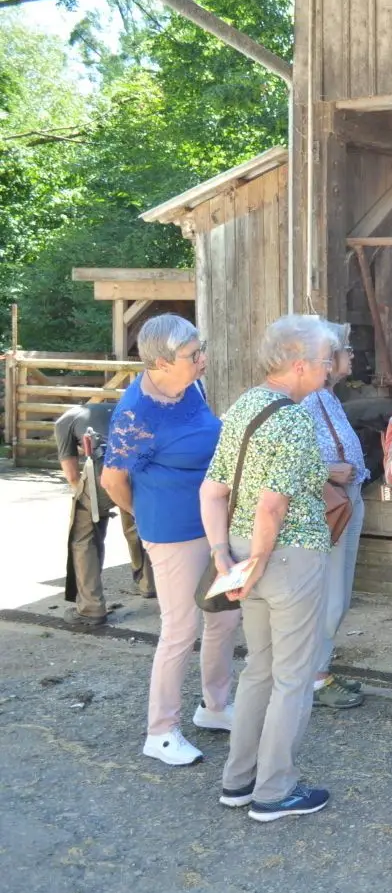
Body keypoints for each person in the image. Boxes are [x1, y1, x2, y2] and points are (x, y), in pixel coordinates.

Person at [203, 314, 338, 821]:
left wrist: (225, 557)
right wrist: (258, 561)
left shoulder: (244, 405)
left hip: (241, 553)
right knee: (293, 677)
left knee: (258, 668)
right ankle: (274, 791)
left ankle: (238, 780)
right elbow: (271, 506)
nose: (329, 372)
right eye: (325, 363)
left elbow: (213, 489)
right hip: (286, 556)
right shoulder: (295, 419)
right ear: (300, 365)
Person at [101, 315, 236, 767]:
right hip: (173, 531)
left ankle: (215, 708)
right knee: (181, 629)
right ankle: (160, 731)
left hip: (212, 522)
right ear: (160, 362)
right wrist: (147, 513)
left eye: (202, 349)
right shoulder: (134, 414)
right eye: (193, 355)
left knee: (223, 618)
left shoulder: (190, 387)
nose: (203, 360)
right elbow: (112, 480)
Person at [305, 321, 370, 710]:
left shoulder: (327, 398)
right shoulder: (309, 400)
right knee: (330, 592)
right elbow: (290, 457)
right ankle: (313, 676)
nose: (351, 357)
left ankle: (320, 669)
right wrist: (328, 472)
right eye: (345, 351)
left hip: (346, 498)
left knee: (339, 592)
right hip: (332, 501)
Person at [57, 401, 153, 625]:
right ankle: (148, 584)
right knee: (137, 519)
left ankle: (90, 608)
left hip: (105, 465)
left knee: (84, 534)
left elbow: (71, 475)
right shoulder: (118, 407)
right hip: (140, 463)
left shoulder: (65, 422)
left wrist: (89, 500)